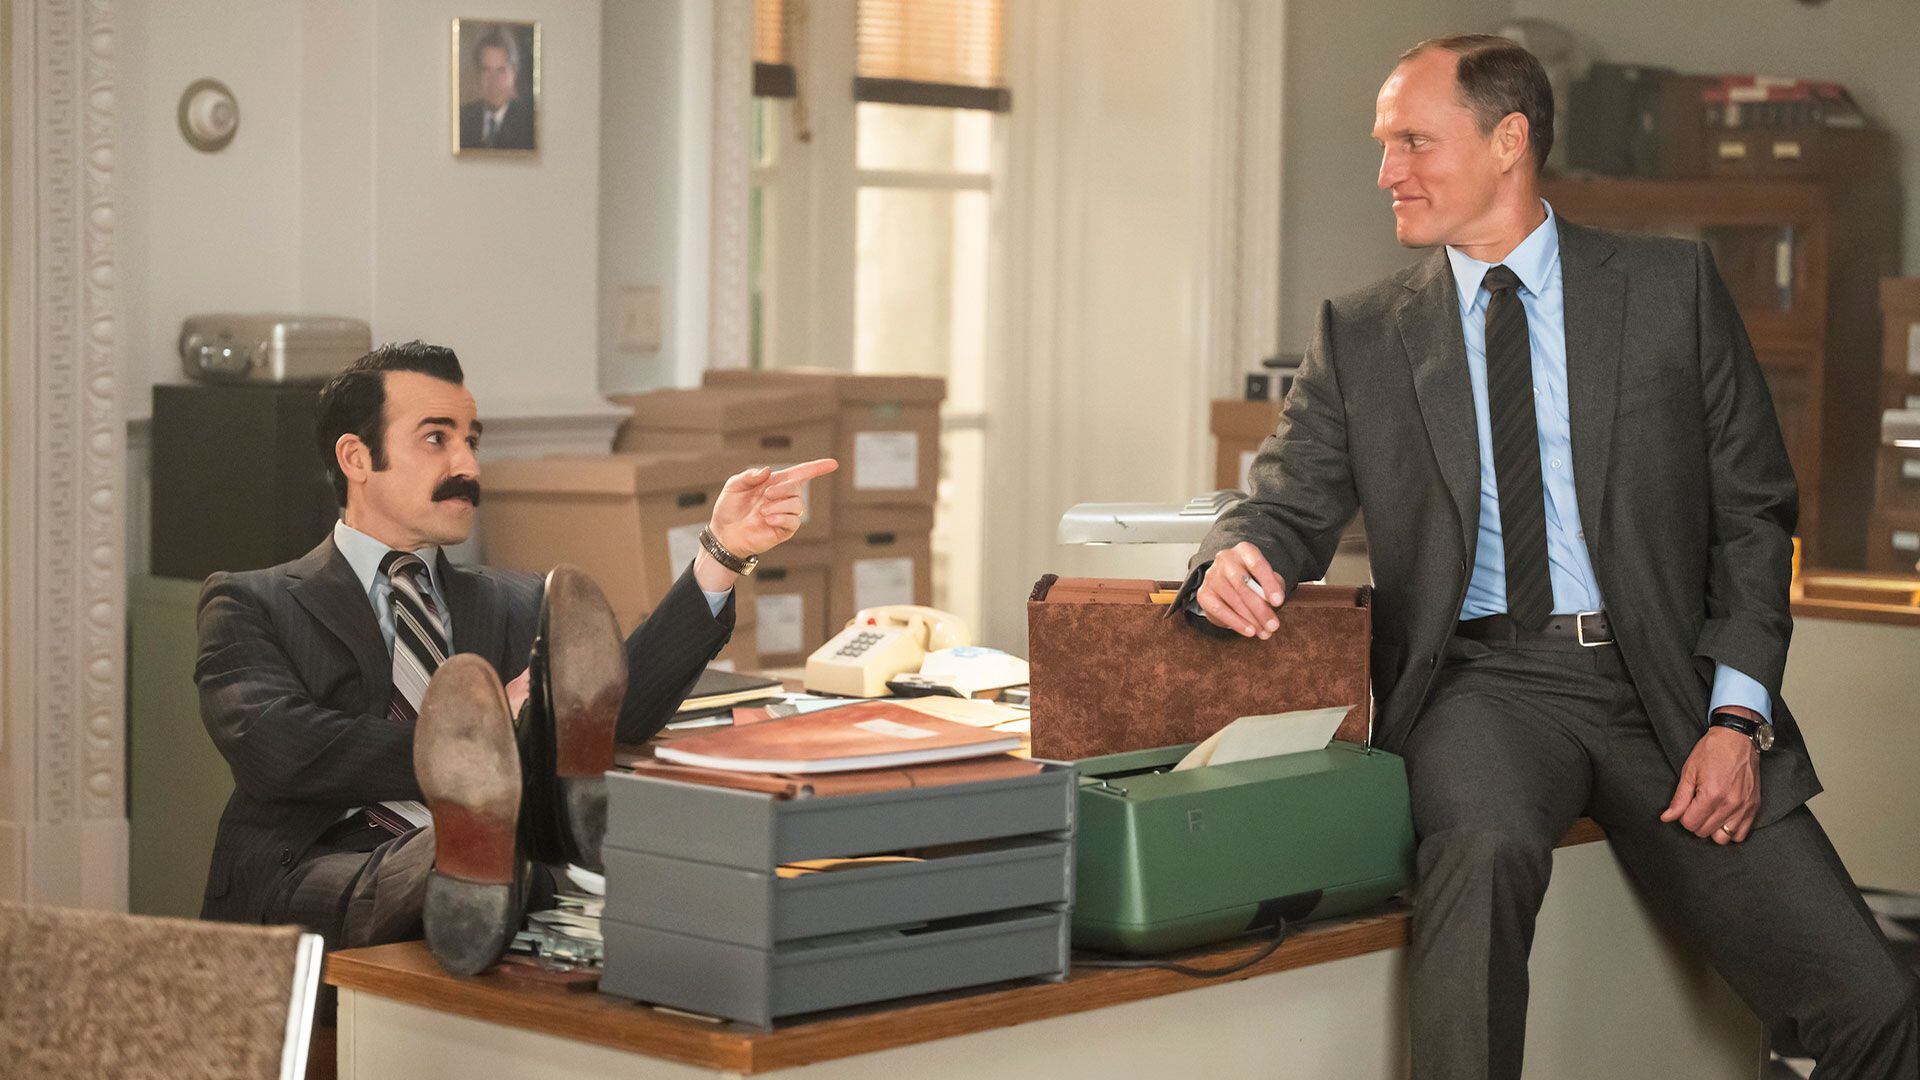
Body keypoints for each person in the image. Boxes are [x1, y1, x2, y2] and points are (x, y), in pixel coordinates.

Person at [1179, 34, 1918, 1079]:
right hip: (1484, 689)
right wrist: (1236, 554)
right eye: (1385, 145)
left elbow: (1754, 515)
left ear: (1508, 140)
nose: (1387, 171)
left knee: (1874, 1004)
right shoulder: (1363, 333)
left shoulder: (1668, 290)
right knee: (1480, 855)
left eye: (1413, 141)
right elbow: (1284, 503)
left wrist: (1736, 719)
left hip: (1667, 688)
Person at [195, 340, 834, 976]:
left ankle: (497, 855)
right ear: (356, 458)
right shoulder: (251, 601)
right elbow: (279, 750)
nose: (467, 464)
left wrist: (721, 555)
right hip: (316, 874)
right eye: (436, 439)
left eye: (471, 441)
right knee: (466, 848)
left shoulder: (519, 601)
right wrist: (479, 736)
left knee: (519, 835)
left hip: (504, 870)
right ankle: (484, 848)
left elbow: (610, 718)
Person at [458, 27, 535, 150]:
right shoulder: (462, 118)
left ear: (514, 75)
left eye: (501, 71)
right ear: (478, 75)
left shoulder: (530, 124)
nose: (493, 81)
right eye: (486, 70)